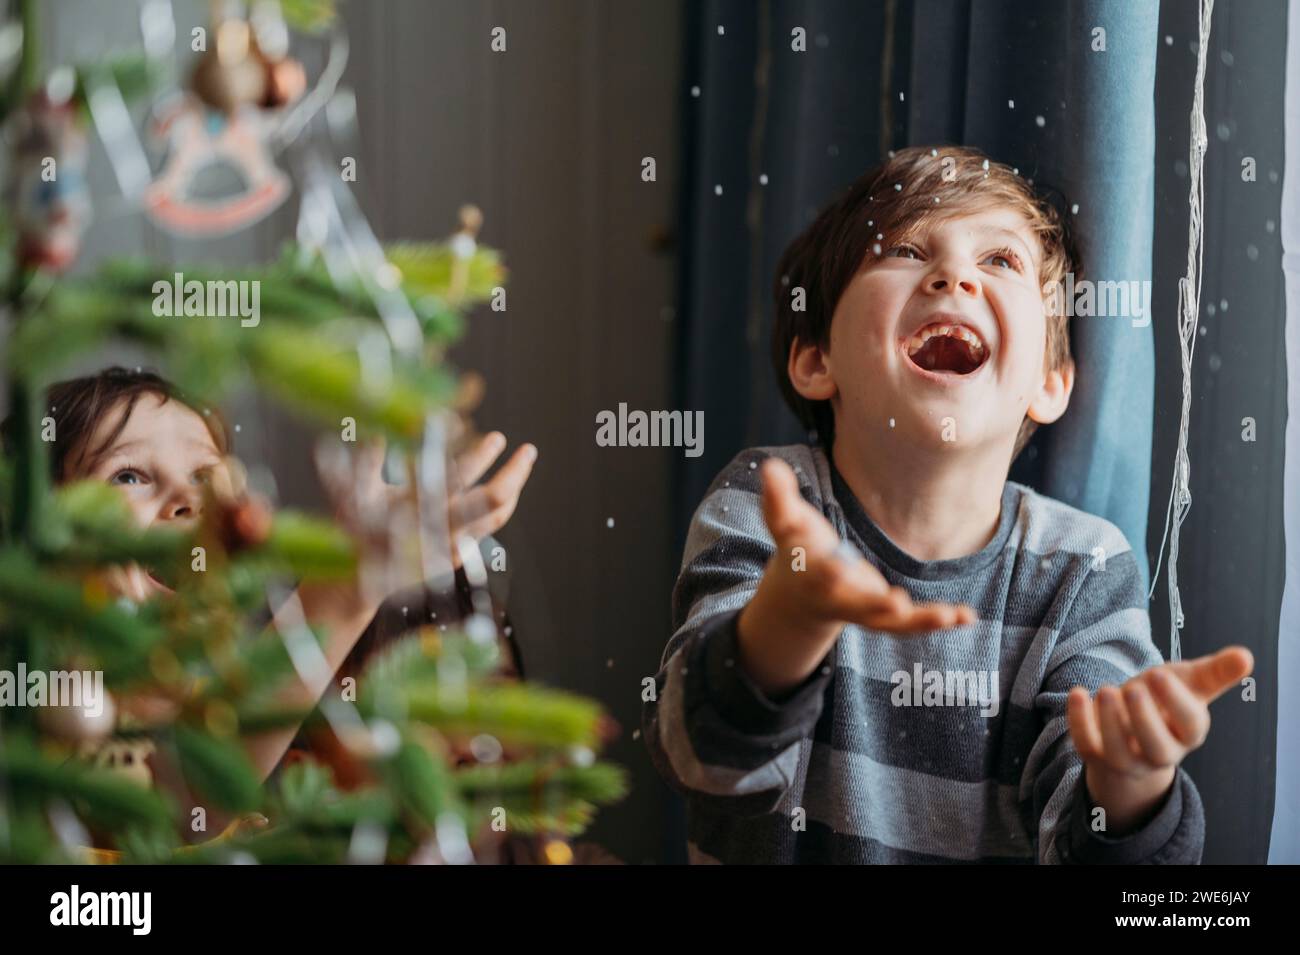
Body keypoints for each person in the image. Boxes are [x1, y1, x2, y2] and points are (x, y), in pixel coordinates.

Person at [643, 145, 1254, 864]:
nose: (954, 275)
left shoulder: (1084, 566)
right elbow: (696, 756)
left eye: (1001, 261)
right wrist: (787, 619)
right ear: (815, 359)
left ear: (1050, 383)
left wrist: (1129, 782)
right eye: (903, 249)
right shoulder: (768, 501)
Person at [18, 365, 535, 786]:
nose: (189, 500)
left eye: (206, 476)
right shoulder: (45, 714)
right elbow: (188, 793)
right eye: (128, 475)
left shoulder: (261, 728)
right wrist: (349, 584)